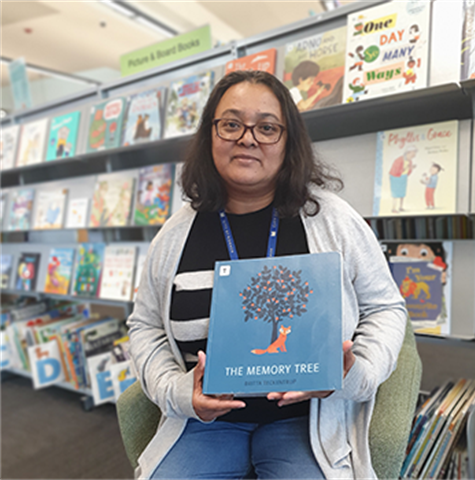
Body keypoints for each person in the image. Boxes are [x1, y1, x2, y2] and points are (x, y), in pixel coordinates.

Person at [127, 70, 407, 480]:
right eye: (231, 124)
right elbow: (145, 325)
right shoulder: (174, 235)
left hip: (306, 421)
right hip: (206, 424)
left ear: (288, 141)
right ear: (211, 136)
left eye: (267, 127)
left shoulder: (333, 220)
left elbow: (385, 307)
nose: (247, 137)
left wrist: (356, 373)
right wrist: (175, 391)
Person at [389, 145, 417, 213]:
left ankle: (401, 207)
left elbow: (408, 172)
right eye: (412, 154)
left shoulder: (410, 161)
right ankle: (393, 208)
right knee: (395, 194)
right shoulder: (399, 160)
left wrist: (411, 168)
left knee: (402, 193)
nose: (413, 156)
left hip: (403, 177)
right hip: (395, 178)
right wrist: (406, 167)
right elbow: (396, 170)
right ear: (408, 153)